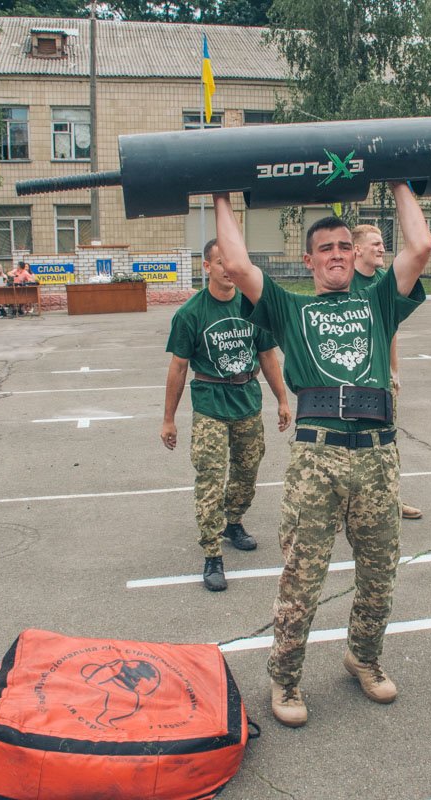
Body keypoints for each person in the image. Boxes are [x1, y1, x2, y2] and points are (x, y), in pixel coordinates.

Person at [214, 183, 431, 728]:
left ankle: (364, 656)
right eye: (326, 249)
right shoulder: (291, 308)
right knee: (303, 579)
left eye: (344, 246)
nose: (337, 255)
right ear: (309, 260)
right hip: (319, 459)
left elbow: (421, 246)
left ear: (353, 255)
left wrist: (400, 179)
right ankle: (285, 679)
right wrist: (220, 193)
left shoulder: (377, 300)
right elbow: (238, 265)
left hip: (378, 459)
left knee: (380, 574)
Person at [160, 238, 292, 592]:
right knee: (210, 478)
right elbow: (178, 368)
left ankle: (233, 520)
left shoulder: (253, 306)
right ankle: (212, 554)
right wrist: (169, 418)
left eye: (232, 263)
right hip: (210, 407)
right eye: (220, 263)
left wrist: (281, 399)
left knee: (248, 472)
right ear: (207, 267)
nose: (228, 269)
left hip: (247, 400)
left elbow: (267, 356)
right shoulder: (190, 314)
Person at [352, 223, 422, 521]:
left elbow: (390, 329)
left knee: (387, 441)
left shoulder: (383, 280)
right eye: (375, 244)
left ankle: (391, 499)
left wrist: (394, 370)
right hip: (349, 377)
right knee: (348, 443)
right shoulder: (343, 280)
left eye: (382, 244)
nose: (382, 248)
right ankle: (343, 506)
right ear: (357, 249)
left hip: (379, 377)